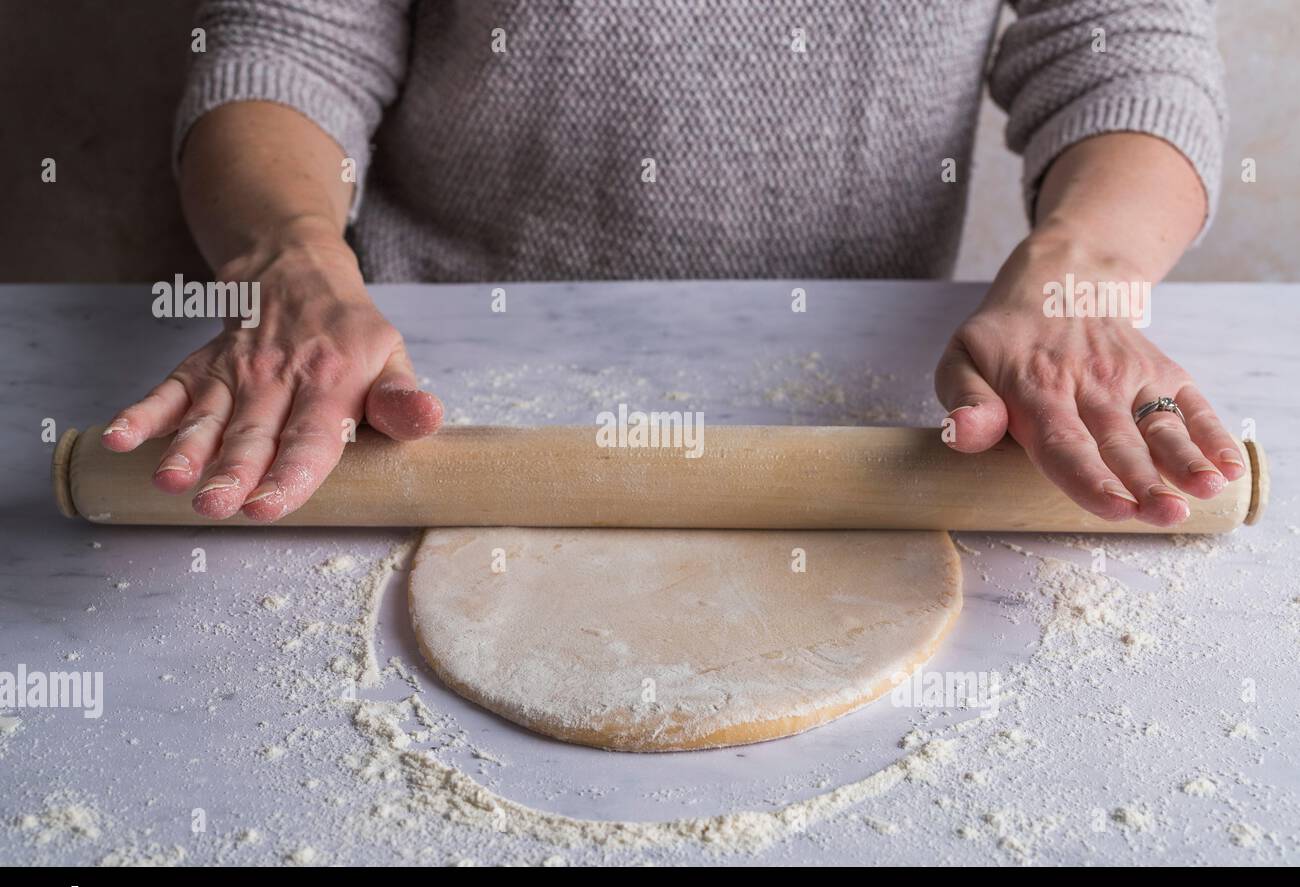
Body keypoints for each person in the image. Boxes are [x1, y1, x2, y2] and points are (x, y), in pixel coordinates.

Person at [100, 0, 1242, 527]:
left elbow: (1124, 46)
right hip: (412, 381)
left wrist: (1072, 279)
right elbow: (291, 37)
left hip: (854, 395)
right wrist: (293, 266)